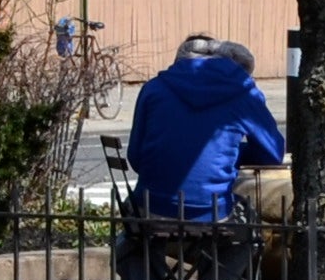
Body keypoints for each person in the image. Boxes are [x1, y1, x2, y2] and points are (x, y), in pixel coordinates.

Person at [123, 35, 288, 221]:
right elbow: (273, 153)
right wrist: (230, 155)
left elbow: (136, 157)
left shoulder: (154, 88)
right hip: (212, 211)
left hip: (152, 206)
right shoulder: (244, 94)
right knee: (250, 223)